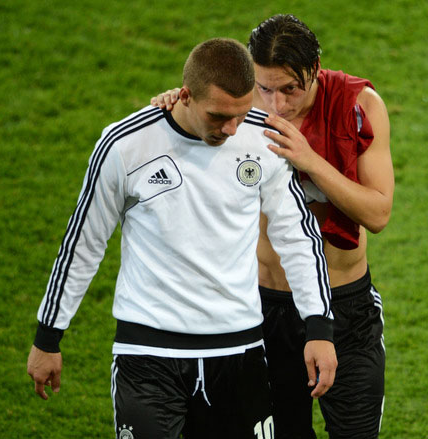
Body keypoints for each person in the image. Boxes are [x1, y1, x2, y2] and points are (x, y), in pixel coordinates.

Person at [27, 37, 337, 439]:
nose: (231, 129)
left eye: (241, 115)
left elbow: (298, 237)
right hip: (149, 355)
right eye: (218, 116)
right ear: (186, 96)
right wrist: (48, 335)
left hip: (238, 353)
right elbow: (83, 243)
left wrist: (319, 326)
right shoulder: (125, 145)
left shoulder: (264, 140)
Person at [152, 14, 393, 439]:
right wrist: (177, 107)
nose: (276, 104)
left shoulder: (360, 105)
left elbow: (377, 214)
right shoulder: (235, 109)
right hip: (261, 308)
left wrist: (309, 160)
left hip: (344, 307)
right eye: (264, 88)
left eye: (290, 89)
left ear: (315, 68)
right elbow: (176, 145)